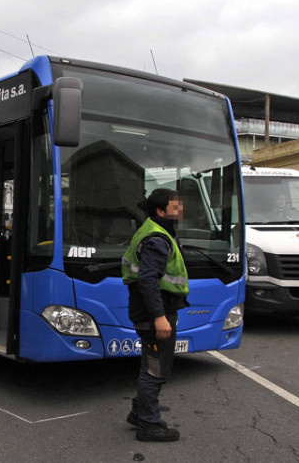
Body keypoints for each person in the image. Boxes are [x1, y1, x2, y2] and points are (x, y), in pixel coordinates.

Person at [121, 188, 189, 442]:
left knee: (154, 366)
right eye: (176, 207)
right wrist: (159, 316)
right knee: (155, 370)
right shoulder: (157, 239)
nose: (180, 212)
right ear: (162, 211)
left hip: (152, 310)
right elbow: (148, 280)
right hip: (153, 313)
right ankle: (149, 425)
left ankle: (140, 414)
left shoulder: (155, 230)